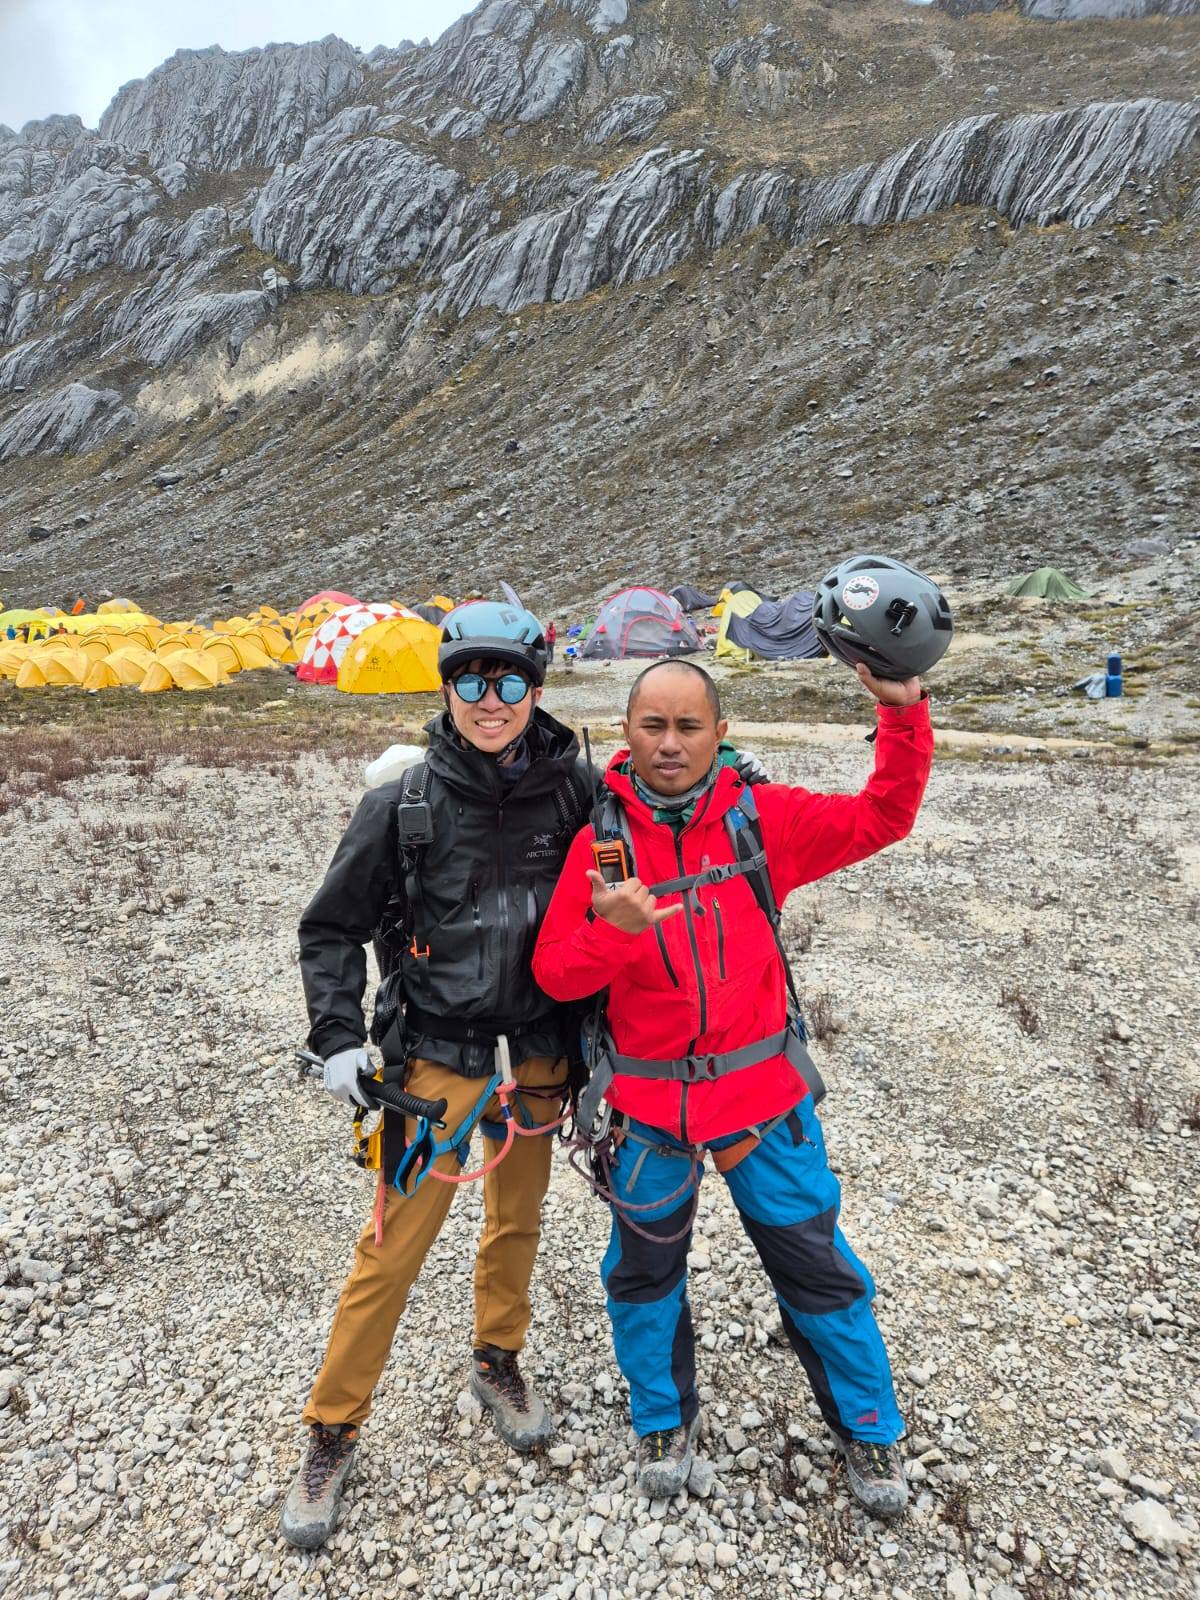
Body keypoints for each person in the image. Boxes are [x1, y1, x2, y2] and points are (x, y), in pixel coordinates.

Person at [533, 656, 934, 1516]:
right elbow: (556, 973)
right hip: (646, 1108)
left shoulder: (764, 820)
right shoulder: (598, 847)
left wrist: (903, 715)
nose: (670, 744)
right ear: (627, 732)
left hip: (762, 1099)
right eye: (653, 725)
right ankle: (661, 1419)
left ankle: (868, 1425)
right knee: (644, 1276)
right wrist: (613, 934)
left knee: (816, 1267)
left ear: (721, 733)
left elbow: (884, 816)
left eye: (689, 726)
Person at [281, 601, 590, 1549]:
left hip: (538, 1058)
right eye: (471, 681)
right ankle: (332, 1430)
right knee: (390, 1250)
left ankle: (497, 1359)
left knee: (518, 1222)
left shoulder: (577, 792)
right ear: (447, 687)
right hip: (432, 1065)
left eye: (510, 681)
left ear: (536, 689)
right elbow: (330, 928)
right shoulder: (401, 804)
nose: (490, 701)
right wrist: (338, 1036)